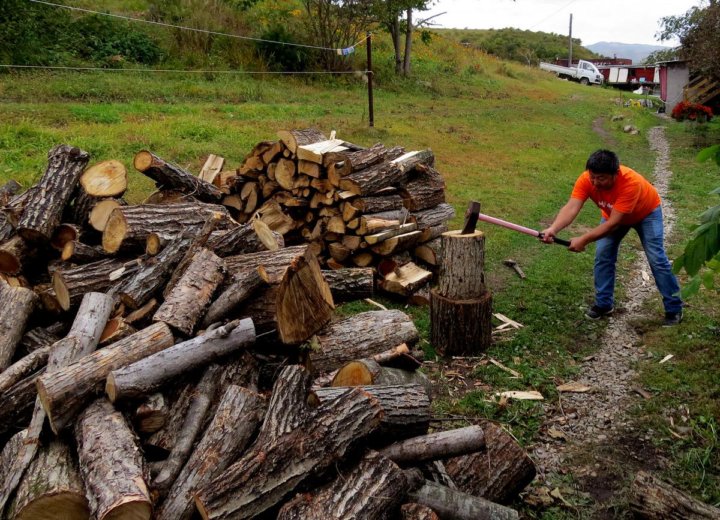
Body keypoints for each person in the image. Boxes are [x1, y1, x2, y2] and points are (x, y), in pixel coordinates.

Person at [540, 149, 683, 326]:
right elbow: (572, 207)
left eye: (601, 178)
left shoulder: (630, 183)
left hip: (646, 213)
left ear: (615, 174)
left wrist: (584, 239)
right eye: (593, 177)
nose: (595, 182)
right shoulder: (586, 179)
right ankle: (604, 304)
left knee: (656, 258)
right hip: (613, 215)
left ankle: (674, 308)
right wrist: (553, 229)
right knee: (603, 255)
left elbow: (613, 224)